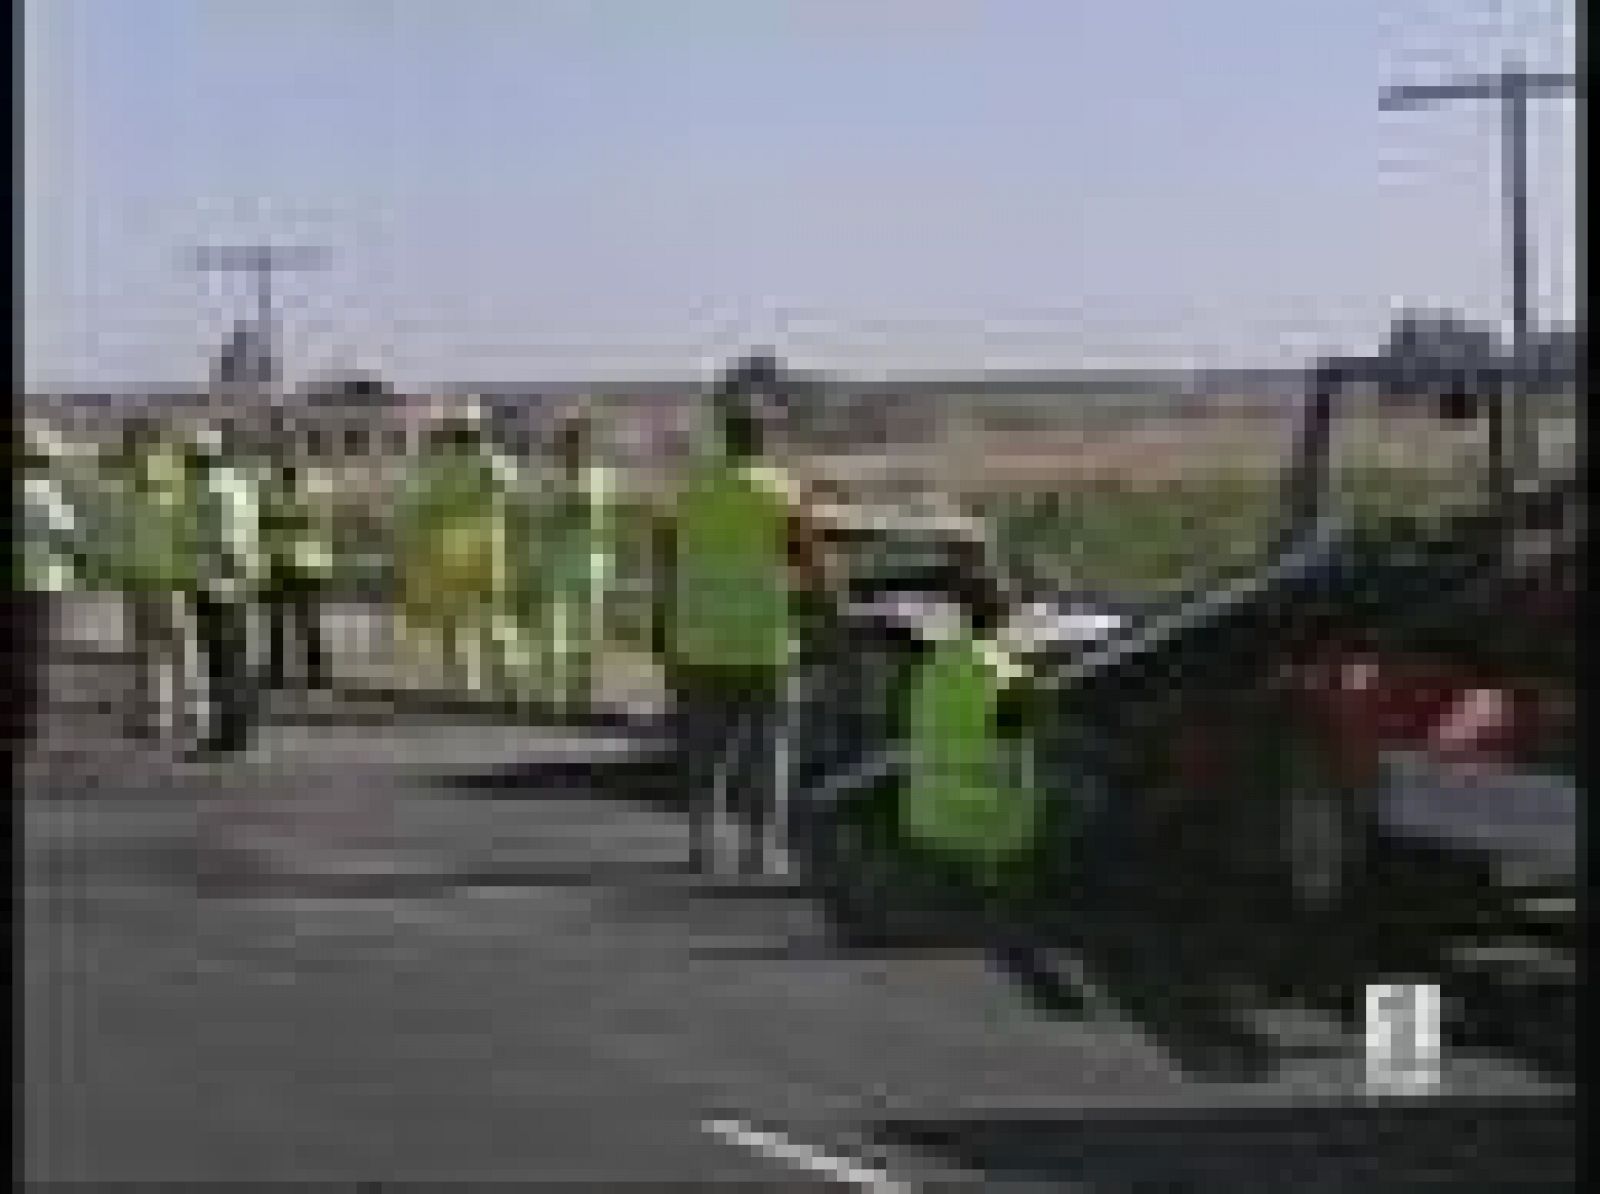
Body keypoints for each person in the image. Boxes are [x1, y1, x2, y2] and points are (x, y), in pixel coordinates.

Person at [652, 353, 833, 876]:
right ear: (762, 439)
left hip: (700, 642)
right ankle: (759, 850)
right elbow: (812, 564)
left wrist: (661, 623)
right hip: (765, 643)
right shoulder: (782, 493)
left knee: (705, 750)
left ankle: (701, 843)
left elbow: (665, 560)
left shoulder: (690, 492)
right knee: (768, 753)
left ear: (725, 438)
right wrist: (828, 616)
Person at [395, 399, 516, 695]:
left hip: (449, 553)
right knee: (490, 617)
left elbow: (413, 510)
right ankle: (499, 674)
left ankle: (463, 677)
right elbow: (513, 498)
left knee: (455, 622)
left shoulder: (436, 467)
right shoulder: (493, 462)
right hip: (487, 550)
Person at [184, 418, 268, 757]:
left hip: (216, 581)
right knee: (235, 656)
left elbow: (224, 538)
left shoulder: (209, 490)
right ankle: (239, 727)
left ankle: (227, 733)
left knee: (221, 660)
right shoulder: (239, 485)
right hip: (238, 580)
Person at [532, 404, 618, 719]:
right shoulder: (583, 479)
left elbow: (549, 517)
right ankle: (564, 694)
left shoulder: (587, 479)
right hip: (575, 559)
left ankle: (573, 695)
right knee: (565, 631)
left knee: (577, 631)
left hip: (580, 559)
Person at [15, 419, 87, 744]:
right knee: (40, 645)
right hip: (45, 580)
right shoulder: (50, 496)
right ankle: (34, 709)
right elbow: (70, 538)